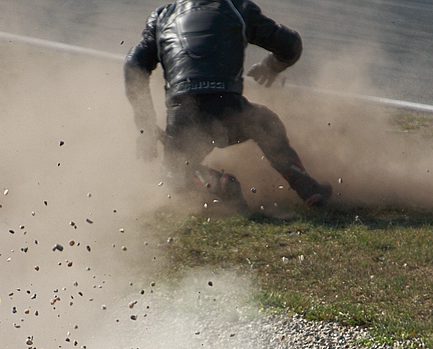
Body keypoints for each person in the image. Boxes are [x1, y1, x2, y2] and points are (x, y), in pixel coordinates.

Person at [124, 0, 332, 209]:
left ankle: (221, 185)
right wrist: (271, 66)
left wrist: (146, 127)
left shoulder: (162, 16)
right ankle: (307, 187)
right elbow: (291, 45)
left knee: (174, 173)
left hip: (184, 113)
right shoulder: (238, 8)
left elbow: (134, 65)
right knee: (267, 124)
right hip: (230, 109)